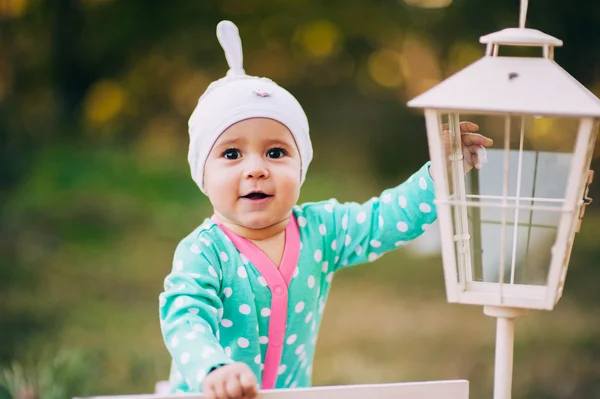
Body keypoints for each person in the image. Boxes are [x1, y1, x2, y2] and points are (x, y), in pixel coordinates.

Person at [158, 20, 492, 399]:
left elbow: (384, 219)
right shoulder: (204, 252)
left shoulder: (321, 230)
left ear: (301, 166)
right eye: (231, 153)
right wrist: (213, 369)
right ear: (202, 172)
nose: (256, 168)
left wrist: (438, 176)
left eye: (276, 152)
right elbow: (185, 317)